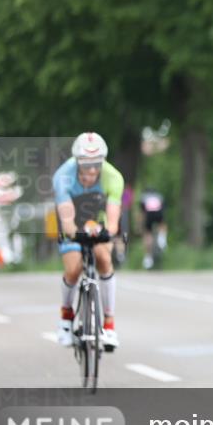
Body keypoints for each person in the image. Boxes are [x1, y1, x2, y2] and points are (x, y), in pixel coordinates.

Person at [53, 132, 124, 350]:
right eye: (86, 165)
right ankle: (66, 317)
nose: (92, 170)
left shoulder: (113, 177)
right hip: (73, 219)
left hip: (98, 219)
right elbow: (67, 220)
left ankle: (109, 325)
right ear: (77, 162)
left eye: (97, 164)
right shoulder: (63, 177)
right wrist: (74, 232)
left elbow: (113, 221)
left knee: (104, 258)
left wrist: (107, 232)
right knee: (73, 268)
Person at [139, 187, 167, 269]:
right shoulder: (159, 196)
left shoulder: (144, 197)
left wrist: (140, 225)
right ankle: (162, 238)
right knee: (162, 224)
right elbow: (164, 210)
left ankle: (148, 256)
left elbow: (142, 213)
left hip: (148, 215)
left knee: (148, 234)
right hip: (159, 213)